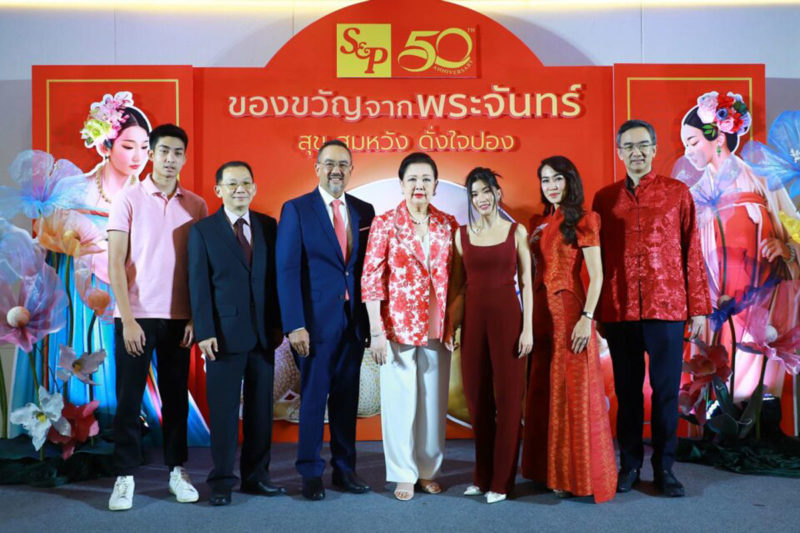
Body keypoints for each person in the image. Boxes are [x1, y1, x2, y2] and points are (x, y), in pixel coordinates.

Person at [592, 120, 711, 497]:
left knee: (664, 393)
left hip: (668, 308)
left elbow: (692, 250)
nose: (636, 153)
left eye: (643, 145)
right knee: (627, 394)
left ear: (655, 149)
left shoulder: (677, 194)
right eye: (629, 146)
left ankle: (664, 468)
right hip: (620, 308)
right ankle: (629, 466)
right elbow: (597, 260)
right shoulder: (604, 199)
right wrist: (596, 311)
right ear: (619, 152)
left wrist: (699, 307)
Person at [106, 124, 208, 511]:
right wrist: (128, 318)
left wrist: (195, 317)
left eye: (177, 152)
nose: (170, 159)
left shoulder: (196, 205)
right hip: (136, 317)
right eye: (163, 151)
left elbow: (200, 268)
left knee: (176, 398)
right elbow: (115, 262)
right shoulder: (128, 199)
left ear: (184, 157)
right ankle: (125, 477)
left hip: (180, 318)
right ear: (151, 154)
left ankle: (177, 471)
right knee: (129, 399)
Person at [679, 92, 800, 401]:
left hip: (764, 299)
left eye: (692, 142)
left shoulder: (761, 179)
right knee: (717, 377)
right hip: (717, 304)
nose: (687, 151)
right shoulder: (694, 195)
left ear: (718, 137)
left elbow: (794, 228)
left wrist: (787, 249)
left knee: (758, 388)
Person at [275, 139, 375, 501]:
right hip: (314, 325)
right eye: (330, 163)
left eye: (343, 164)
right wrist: (295, 324)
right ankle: (310, 472)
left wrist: (372, 323)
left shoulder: (364, 211)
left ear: (351, 170)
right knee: (315, 400)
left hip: (353, 323)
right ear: (317, 168)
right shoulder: (297, 209)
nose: (336, 170)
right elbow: (287, 270)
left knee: (346, 401)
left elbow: (367, 268)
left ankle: (345, 470)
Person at [46, 92, 151, 420]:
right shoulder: (74, 189)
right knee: (79, 351)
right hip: (77, 293)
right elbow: (47, 239)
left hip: (129, 292)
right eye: (128, 146)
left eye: (145, 147)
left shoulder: (147, 198)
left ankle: (126, 420)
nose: (138, 157)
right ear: (105, 146)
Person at [362, 152, 459, 501]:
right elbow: (371, 278)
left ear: (436, 184)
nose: (420, 185)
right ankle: (403, 472)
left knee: (433, 405)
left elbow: (457, 278)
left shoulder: (448, 224)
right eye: (413, 179)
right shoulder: (385, 223)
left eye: (426, 179)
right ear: (401, 184)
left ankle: (428, 470)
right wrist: (376, 331)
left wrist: (454, 323)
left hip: (437, 328)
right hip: (397, 328)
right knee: (400, 403)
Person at [188, 161, 286, 506]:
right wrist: (204, 331)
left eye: (246, 183)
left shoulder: (268, 226)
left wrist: (279, 325)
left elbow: (275, 280)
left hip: (263, 335)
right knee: (225, 414)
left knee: (261, 412)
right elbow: (198, 284)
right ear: (219, 190)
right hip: (222, 337)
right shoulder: (203, 231)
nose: (239, 189)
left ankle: (257, 477)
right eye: (232, 184)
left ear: (254, 188)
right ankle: (221, 482)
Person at [521, 156, 616, 503]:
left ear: (570, 181)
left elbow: (598, 275)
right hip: (540, 313)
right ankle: (545, 471)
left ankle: (571, 475)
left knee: (570, 391)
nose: (551, 186)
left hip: (569, 310)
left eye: (557, 179)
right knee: (543, 389)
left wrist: (587, 318)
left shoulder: (584, 219)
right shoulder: (539, 221)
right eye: (545, 180)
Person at [446, 167, 533, 504]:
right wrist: (452, 327)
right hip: (473, 325)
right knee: (477, 402)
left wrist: (527, 328)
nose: (481, 198)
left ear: (497, 192)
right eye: (474, 194)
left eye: (486, 191)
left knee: (509, 403)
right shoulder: (461, 236)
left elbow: (526, 284)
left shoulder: (516, 232)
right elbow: (458, 288)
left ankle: (502, 482)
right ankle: (481, 477)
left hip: (509, 322)